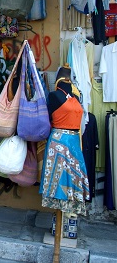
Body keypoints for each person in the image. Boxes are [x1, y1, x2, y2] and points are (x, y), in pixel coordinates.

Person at [39, 64, 90, 215]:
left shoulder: (76, 96)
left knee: (73, 178)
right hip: (59, 141)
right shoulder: (54, 96)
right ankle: (58, 218)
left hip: (74, 141)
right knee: (59, 180)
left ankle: (65, 219)